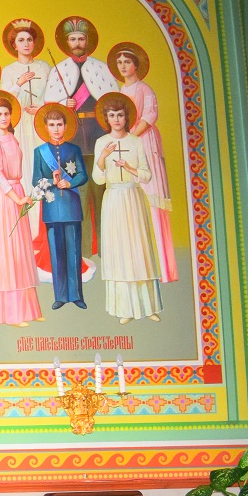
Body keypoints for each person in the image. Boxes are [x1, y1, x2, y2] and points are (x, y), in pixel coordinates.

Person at [44, 17, 119, 255]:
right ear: (67, 43)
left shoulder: (101, 68)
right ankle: (85, 250)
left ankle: (107, 248)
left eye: (81, 38)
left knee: (102, 192)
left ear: (88, 41)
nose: (77, 43)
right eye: (73, 39)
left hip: (98, 134)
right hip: (74, 137)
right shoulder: (59, 70)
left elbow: (111, 98)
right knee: (80, 193)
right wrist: (62, 103)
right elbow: (50, 106)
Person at [92, 93, 161, 323]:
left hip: (133, 198)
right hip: (113, 200)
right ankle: (125, 309)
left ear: (126, 117)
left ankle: (148, 307)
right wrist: (103, 157)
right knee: (119, 251)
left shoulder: (135, 142)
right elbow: (98, 179)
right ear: (106, 118)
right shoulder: (101, 143)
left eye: (120, 115)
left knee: (139, 249)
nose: (116, 119)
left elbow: (147, 175)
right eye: (112, 115)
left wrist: (130, 168)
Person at [111, 43, 176, 283]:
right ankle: (140, 269)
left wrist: (131, 137)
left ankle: (166, 269)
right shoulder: (121, 90)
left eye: (127, 62)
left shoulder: (144, 88)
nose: (123, 66)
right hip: (127, 145)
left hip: (145, 143)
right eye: (119, 62)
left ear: (136, 65)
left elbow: (149, 116)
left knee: (152, 201)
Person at [0, 93, 43, 327]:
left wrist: (21, 195)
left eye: (6, 113)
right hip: (4, 197)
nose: (3, 118)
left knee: (21, 251)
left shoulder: (12, 139)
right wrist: (16, 198)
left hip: (18, 192)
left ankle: (29, 310)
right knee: (7, 252)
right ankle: (11, 314)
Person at [0, 19, 47, 256]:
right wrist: (18, 83)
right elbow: (3, 101)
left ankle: (43, 236)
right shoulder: (9, 71)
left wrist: (42, 108)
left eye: (29, 39)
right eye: (21, 40)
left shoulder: (45, 67)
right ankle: (26, 235)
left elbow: (54, 95)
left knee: (42, 175)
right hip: (20, 128)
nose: (26, 43)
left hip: (41, 125)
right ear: (14, 45)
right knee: (25, 175)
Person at [33, 104, 89, 310]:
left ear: (65, 126)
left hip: (71, 207)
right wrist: (52, 180)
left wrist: (69, 183)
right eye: (52, 125)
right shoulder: (39, 152)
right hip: (52, 209)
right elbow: (35, 180)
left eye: (59, 124)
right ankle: (61, 296)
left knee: (74, 253)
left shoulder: (74, 150)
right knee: (57, 255)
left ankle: (76, 295)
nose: (56, 129)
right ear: (46, 127)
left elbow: (83, 175)